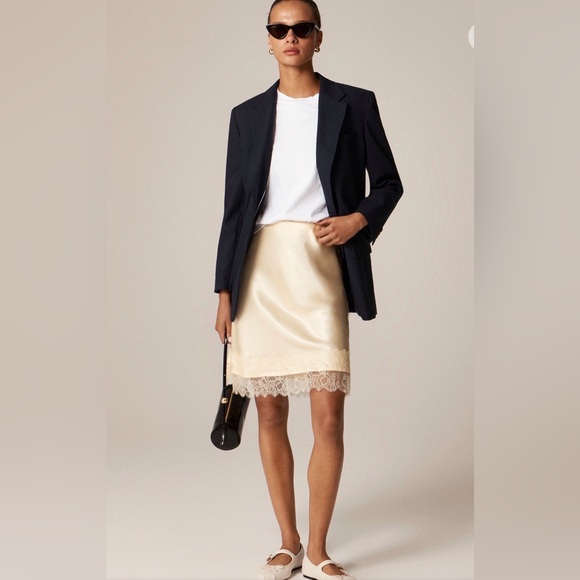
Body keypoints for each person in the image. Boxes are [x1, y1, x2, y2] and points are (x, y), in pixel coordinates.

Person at [214, 1, 403, 578]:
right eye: (280, 29)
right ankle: (288, 542)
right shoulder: (246, 115)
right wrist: (223, 291)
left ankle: (319, 550)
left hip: (320, 267)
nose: (290, 37)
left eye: (301, 28)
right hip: (259, 271)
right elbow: (234, 209)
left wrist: (356, 220)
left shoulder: (355, 103)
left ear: (319, 37)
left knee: (328, 417)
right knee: (269, 413)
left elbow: (389, 182)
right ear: (268, 40)